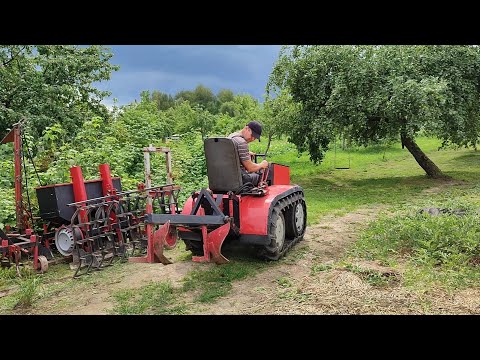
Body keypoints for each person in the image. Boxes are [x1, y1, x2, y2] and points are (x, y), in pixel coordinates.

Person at [228, 121, 268, 186]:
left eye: (255, 138)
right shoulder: (242, 142)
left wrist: (247, 153)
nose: (252, 139)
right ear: (247, 128)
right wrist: (262, 164)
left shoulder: (230, 137)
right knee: (260, 176)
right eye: (252, 135)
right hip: (239, 180)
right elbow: (250, 168)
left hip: (226, 176)